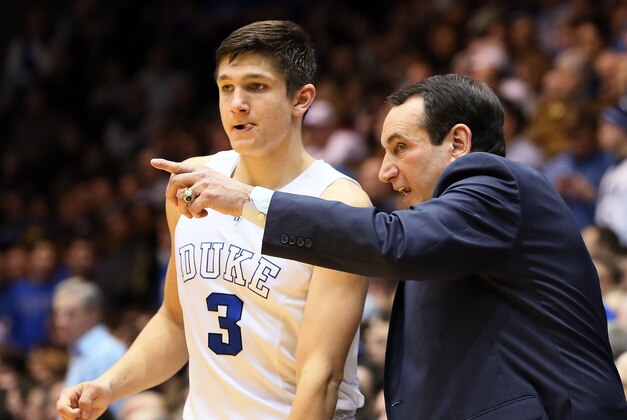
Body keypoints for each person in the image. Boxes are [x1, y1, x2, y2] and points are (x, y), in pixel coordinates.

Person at [152, 73, 627, 419]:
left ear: (458, 141)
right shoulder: (453, 232)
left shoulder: (494, 181)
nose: (384, 171)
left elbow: (390, 241)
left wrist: (249, 200)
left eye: (400, 147)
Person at [57, 20, 369, 420]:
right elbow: (174, 321)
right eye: (226, 87)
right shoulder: (192, 182)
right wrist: (107, 385)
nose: (237, 103)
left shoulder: (338, 202)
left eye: (256, 86)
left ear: (301, 99)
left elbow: (321, 376)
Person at [52, 278, 126, 418]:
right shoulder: (79, 349)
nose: (60, 322)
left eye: (71, 314)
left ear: (93, 314)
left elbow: (117, 414)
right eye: (57, 313)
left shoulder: (105, 352)